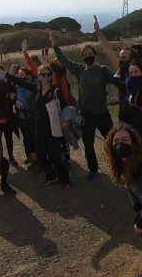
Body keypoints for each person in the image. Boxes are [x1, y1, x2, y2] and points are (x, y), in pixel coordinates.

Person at [49, 23, 118, 180]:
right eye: (85, 54)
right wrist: (53, 41)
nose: (88, 56)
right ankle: (92, 169)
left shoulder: (102, 70)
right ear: (82, 57)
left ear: (94, 54)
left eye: (90, 53)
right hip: (86, 115)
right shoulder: (80, 69)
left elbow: (117, 80)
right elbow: (63, 59)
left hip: (102, 114)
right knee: (88, 144)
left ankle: (118, 167)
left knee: (112, 142)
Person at [103, 123, 142, 277]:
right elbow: (130, 188)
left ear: (133, 141)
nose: (120, 145)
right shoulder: (122, 162)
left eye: (124, 140)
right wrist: (137, 211)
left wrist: (141, 220)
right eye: (116, 141)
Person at [7, 64, 70, 188]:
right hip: (39, 128)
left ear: (51, 75)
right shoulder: (37, 89)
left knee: (55, 156)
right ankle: (51, 176)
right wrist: (5, 74)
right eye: (43, 74)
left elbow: (65, 106)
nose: (46, 77)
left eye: (48, 74)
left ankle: (64, 180)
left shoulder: (55, 90)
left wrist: (67, 120)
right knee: (40, 155)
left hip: (52, 128)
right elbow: (20, 82)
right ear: (39, 76)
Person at [0, 64, 19, 167]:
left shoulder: (9, 84)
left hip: (8, 118)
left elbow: (14, 97)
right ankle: (0, 158)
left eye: (0, 72)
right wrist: (7, 94)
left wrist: (10, 96)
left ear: (3, 73)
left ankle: (11, 157)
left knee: (9, 139)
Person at [14, 67, 38, 169]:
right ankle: (29, 156)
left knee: (31, 139)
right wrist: (16, 101)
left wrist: (20, 103)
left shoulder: (31, 86)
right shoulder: (17, 85)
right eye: (18, 76)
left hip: (30, 117)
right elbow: (16, 98)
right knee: (26, 138)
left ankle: (36, 160)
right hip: (21, 117)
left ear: (28, 76)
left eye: (22, 75)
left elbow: (27, 100)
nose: (20, 78)